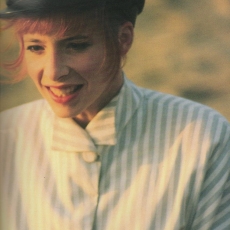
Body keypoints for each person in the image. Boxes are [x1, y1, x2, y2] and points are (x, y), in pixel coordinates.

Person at [0, 0, 229, 229]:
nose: (53, 72)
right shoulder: (6, 138)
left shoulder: (202, 138)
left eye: (76, 45)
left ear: (123, 39)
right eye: (36, 47)